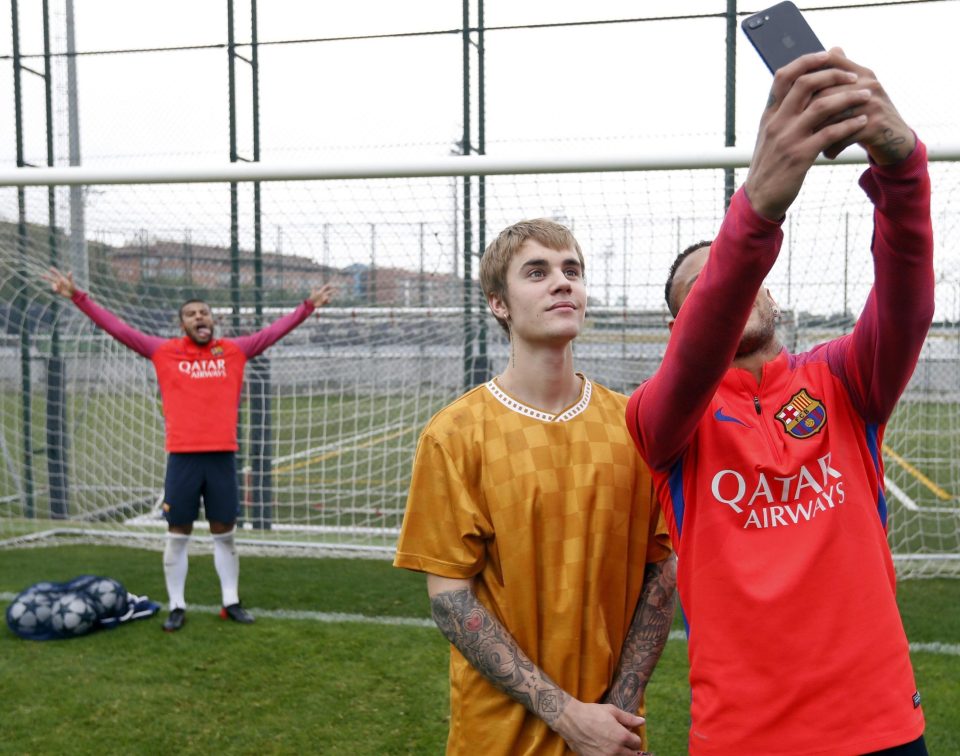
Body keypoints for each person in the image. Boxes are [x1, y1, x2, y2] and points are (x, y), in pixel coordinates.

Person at [626, 49, 932, 755]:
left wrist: (903, 173)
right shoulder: (659, 419)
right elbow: (701, 347)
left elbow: (907, 307)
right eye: (700, 292)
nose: (729, 290)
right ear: (684, 327)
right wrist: (757, 209)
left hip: (881, 722)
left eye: (734, 278)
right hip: (748, 737)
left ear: (773, 292)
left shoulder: (842, 381)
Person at [393, 218, 677, 755]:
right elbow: (451, 600)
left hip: (612, 734)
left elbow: (662, 570)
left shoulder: (633, 425)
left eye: (572, 270)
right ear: (499, 303)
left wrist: (616, 710)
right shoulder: (455, 435)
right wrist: (568, 715)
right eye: (537, 271)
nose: (562, 281)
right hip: (497, 739)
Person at [45, 267, 334, 633]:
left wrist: (307, 306)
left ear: (213, 321)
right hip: (182, 458)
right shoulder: (163, 352)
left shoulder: (234, 350)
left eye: (205, 313)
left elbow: (275, 332)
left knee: (224, 534)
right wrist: (77, 296)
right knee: (177, 534)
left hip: (222, 457)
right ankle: (177, 605)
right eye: (192, 314)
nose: (200, 317)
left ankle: (231, 602)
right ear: (181, 324)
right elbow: (118, 329)